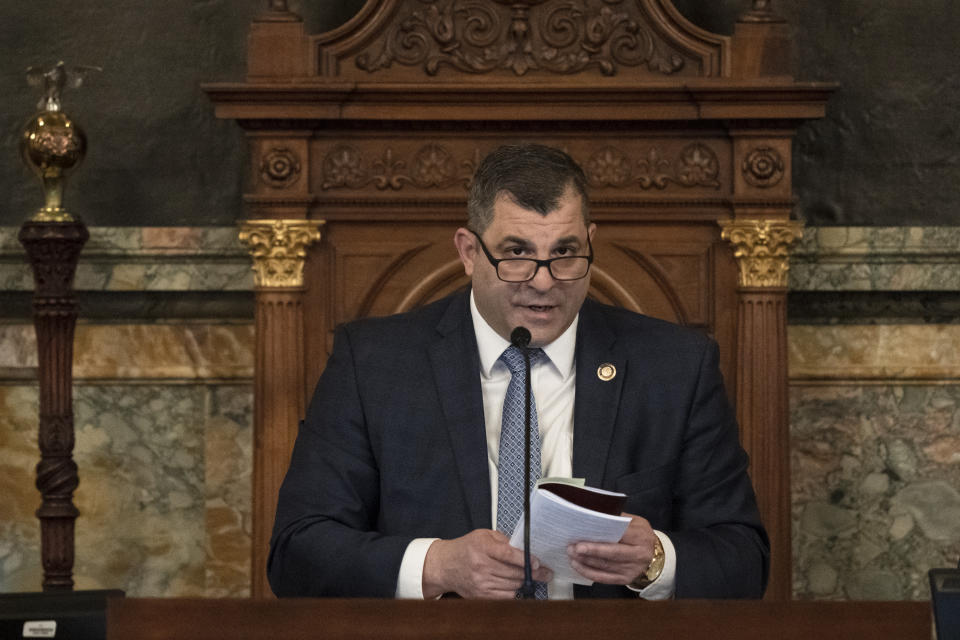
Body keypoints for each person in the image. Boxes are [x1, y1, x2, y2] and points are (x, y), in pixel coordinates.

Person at [268, 144, 769, 599]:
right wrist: (437, 565)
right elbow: (298, 551)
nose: (544, 283)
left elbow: (744, 559)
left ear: (590, 242)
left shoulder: (676, 366)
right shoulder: (373, 363)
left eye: (565, 253)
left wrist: (656, 559)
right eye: (517, 254)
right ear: (468, 252)